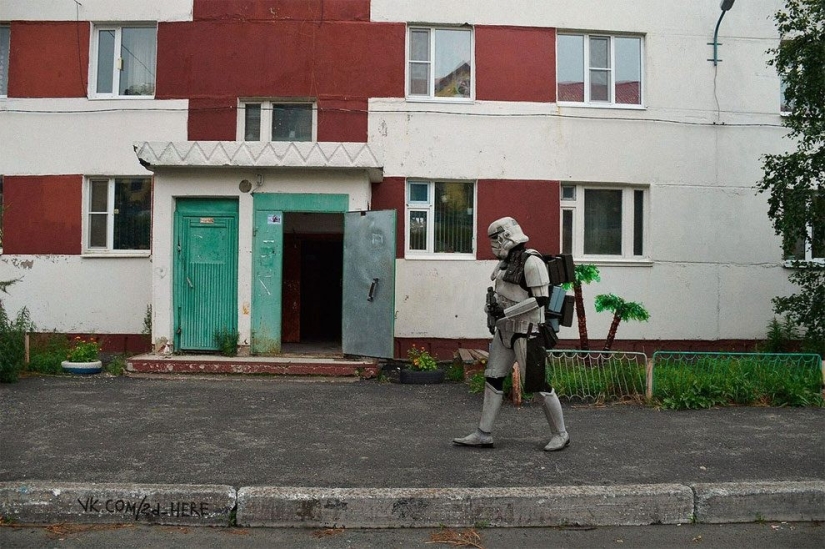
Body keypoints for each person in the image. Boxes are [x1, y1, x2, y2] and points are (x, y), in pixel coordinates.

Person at [452, 217, 570, 451]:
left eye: (495, 239)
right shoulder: (504, 264)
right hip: (504, 331)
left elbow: (540, 299)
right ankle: (483, 433)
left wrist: (505, 311)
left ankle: (561, 433)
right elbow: (501, 293)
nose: (494, 244)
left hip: (528, 331)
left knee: (537, 384)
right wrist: (492, 309)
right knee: (493, 378)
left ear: (506, 236)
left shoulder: (532, 262)